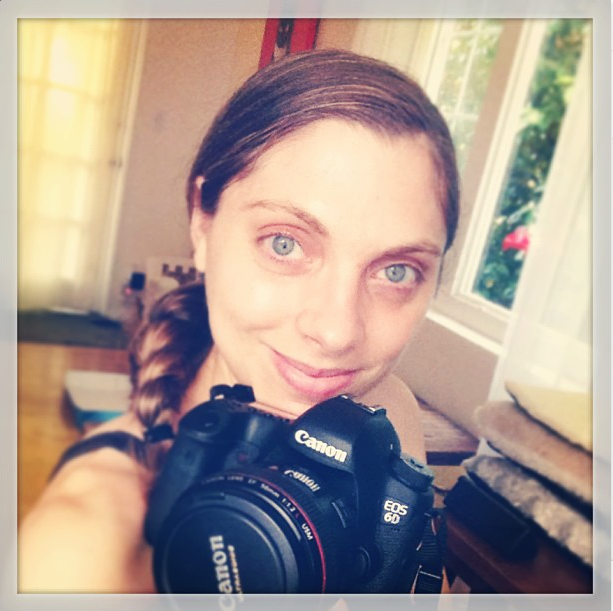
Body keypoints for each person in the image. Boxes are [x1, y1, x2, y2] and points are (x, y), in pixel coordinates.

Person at [18, 48, 459, 593]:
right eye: (284, 243)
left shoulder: (386, 408)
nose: (336, 332)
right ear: (202, 223)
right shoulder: (80, 555)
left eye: (396, 271)